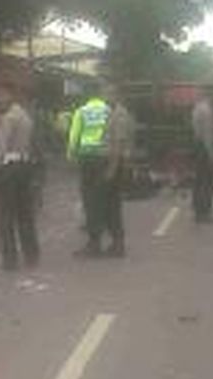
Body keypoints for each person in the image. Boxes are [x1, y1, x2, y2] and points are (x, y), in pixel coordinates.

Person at [0, 82, 40, 271]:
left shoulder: (8, 118)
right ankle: (32, 254)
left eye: (0, 95)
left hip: (9, 170)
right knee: (25, 214)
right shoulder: (25, 117)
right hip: (25, 167)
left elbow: (0, 150)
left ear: (8, 95)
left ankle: (10, 259)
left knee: (5, 216)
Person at [68, 82, 112, 257]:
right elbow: (112, 133)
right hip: (103, 158)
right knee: (99, 198)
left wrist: (71, 155)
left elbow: (74, 135)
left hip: (86, 159)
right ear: (100, 95)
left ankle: (93, 244)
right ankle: (99, 239)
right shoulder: (108, 111)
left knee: (88, 199)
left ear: (87, 96)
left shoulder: (82, 111)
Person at [103, 86, 136, 257]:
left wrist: (112, 169)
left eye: (107, 92)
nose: (104, 95)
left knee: (112, 206)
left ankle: (118, 244)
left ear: (117, 95)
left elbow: (118, 144)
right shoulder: (115, 113)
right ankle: (116, 243)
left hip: (116, 163)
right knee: (110, 205)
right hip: (117, 163)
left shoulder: (120, 115)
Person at [191, 86, 213, 223]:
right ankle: (205, 214)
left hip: (197, 146)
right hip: (205, 147)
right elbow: (208, 135)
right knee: (208, 182)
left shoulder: (197, 108)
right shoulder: (207, 110)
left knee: (199, 180)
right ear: (210, 96)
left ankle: (197, 211)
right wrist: (212, 154)